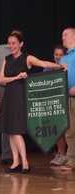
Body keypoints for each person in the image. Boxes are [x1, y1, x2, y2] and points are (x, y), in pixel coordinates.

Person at [0, 30, 65, 173]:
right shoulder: (7, 59)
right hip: (9, 95)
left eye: (14, 43)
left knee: (16, 131)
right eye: (9, 43)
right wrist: (16, 77)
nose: (11, 46)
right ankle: (16, 162)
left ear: (21, 44)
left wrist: (59, 66)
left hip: (19, 97)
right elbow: (0, 80)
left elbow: (43, 63)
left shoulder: (27, 58)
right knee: (9, 131)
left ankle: (25, 163)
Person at [59, 27, 75, 171]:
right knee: (70, 130)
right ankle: (71, 161)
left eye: (65, 35)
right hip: (68, 98)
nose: (62, 37)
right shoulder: (63, 58)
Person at [49, 45, 67, 166]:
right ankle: (60, 153)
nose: (58, 57)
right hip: (53, 104)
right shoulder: (48, 69)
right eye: (56, 55)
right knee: (57, 131)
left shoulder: (68, 68)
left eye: (61, 55)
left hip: (66, 102)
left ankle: (65, 154)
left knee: (66, 131)